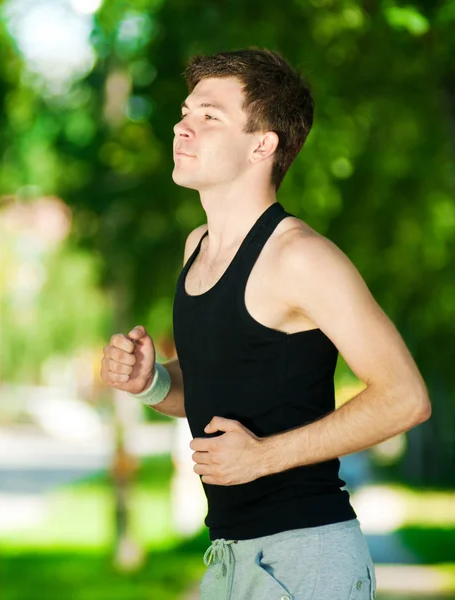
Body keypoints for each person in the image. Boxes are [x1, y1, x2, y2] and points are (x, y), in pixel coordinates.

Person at [100, 48, 431, 600]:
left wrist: (264, 456)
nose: (183, 126)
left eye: (210, 116)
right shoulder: (197, 248)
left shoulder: (300, 257)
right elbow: (222, 385)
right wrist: (151, 381)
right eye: (186, 112)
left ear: (262, 143)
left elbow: (406, 398)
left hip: (307, 557)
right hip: (230, 558)